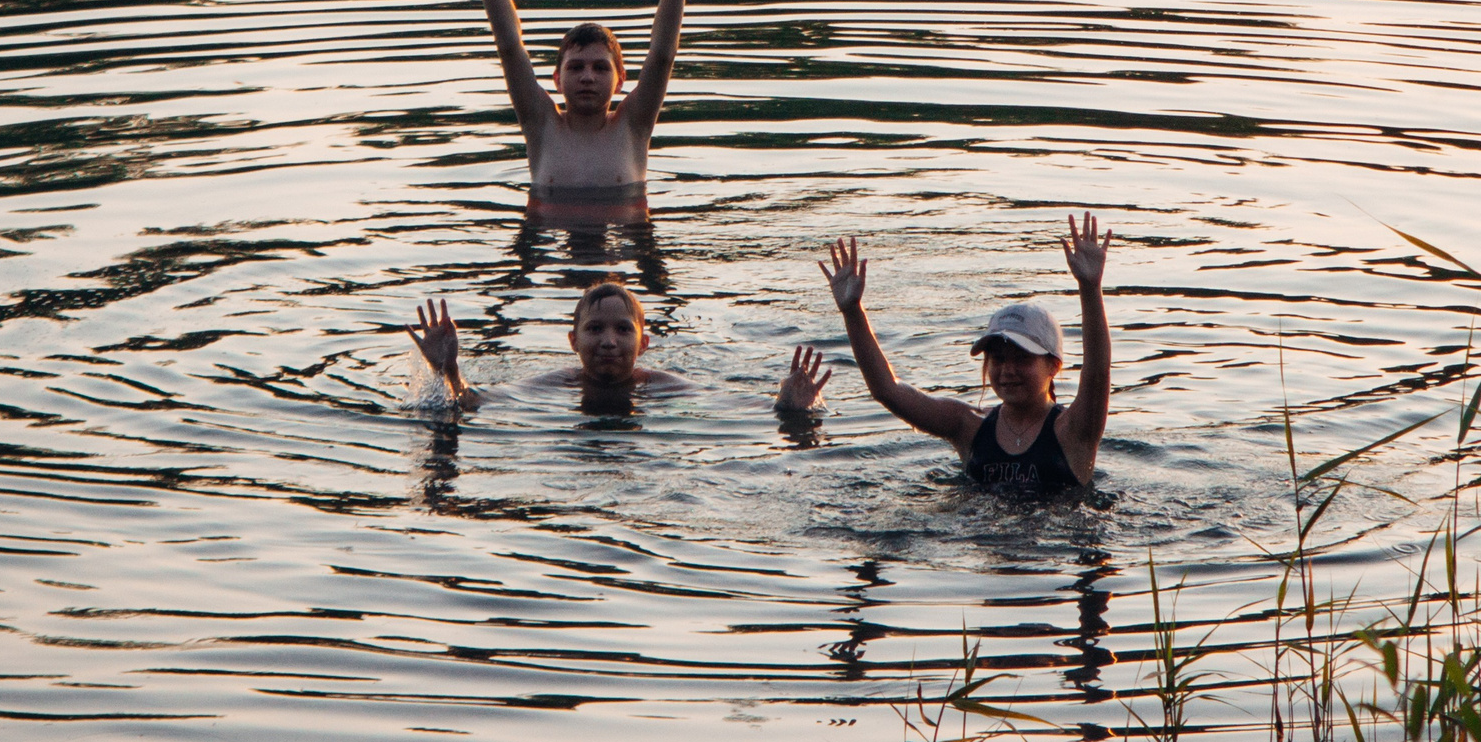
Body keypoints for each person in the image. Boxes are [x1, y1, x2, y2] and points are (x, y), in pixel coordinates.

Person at [816, 214, 1112, 494]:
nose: (1007, 370)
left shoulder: (1074, 431)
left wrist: (1090, 289)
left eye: (1022, 358)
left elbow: (1097, 371)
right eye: (997, 358)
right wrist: (852, 312)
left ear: (1054, 366)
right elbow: (887, 390)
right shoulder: (967, 425)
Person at [468, 0, 692, 194]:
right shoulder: (541, 124)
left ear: (620, 79)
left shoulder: (633, 125)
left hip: (627, 239)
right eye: (576, 68)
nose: (588, 76)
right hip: (544, 239)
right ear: (557, 79)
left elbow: (662, 54)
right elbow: (509, 46)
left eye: (601, 68)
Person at [403, 282, 832, 419]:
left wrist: (786, 406)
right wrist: (449, 371)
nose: (608, 341)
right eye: (594, 329)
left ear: (643, 344)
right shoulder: (558, 382)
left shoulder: (662, 385)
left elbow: (729, 403)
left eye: (623, 330)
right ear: (572, 341)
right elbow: (476, 402)